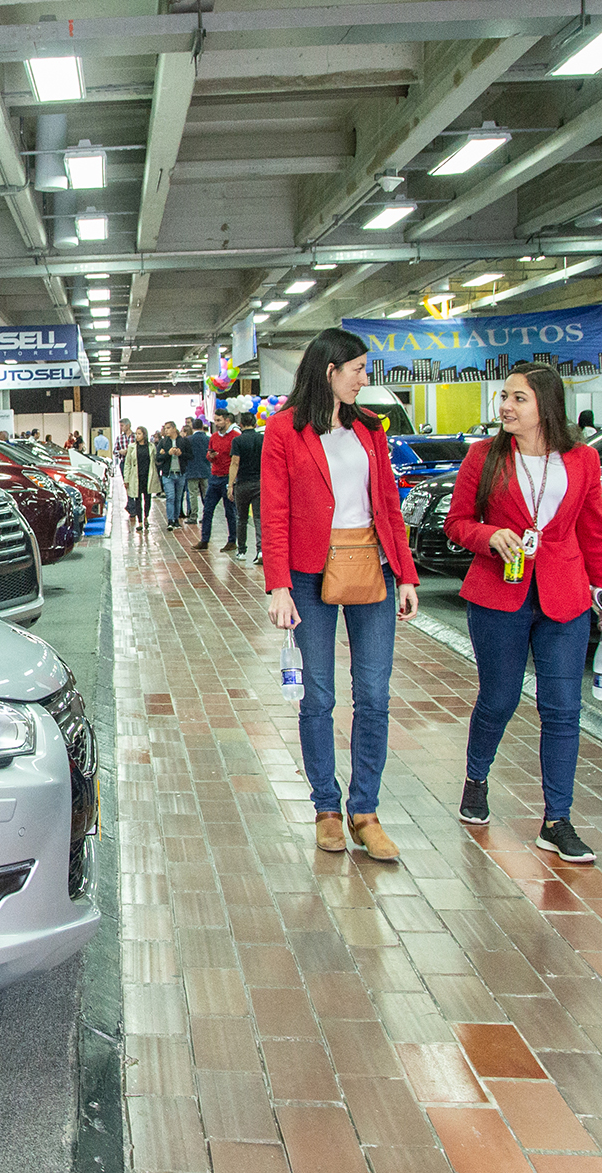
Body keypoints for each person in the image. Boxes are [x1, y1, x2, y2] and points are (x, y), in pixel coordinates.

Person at [444, 364, 602, 864]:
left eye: (518, 398)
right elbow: (457, 522)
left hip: (564, 596)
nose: (506, 406)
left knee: (563, 708)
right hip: (498, 595)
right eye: (504, 397)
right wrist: (489, 535)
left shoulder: (583, 459)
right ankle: (476, 778)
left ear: (546, 405)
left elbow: (593, 532)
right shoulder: (484, 456)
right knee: (499, 698)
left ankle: (556, 821)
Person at [262, 328, 421, 860]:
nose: (363, 379)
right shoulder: (284, 429)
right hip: (310, 574)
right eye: (357, 369)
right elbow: (275, 510)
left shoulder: (370, 427)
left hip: (372, 566)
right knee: (318, 696)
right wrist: (279, 585)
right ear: (329, 370)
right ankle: (327, 808)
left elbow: (388, 504)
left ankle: (365, 811)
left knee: (374, 693)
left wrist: (406, 574)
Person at [198, 411, 239, 551]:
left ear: (227, 420)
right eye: (215, 420)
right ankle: (204, 539)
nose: (216, 423)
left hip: (228, 476)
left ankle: (232, 540)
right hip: (215, 476)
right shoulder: (214, 437)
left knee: (230, 511)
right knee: (208, 509)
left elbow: (236, 459)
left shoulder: (235, 437)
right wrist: (210, 456)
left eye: (219, 420)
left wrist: (233, 481)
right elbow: (208, 456)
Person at [230, 413, 266, 563]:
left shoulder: (237, 441)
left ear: (241, 425)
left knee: (241, 518)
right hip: (259, 483)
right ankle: (261, 551)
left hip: (243, 483)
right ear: (255, 423)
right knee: (258, 518)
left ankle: (241, 551)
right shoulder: (262, 439)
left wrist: (230, 485)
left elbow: (235, 463)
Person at [121, 426, 159, 531]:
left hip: (148, 476)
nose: (137, 436)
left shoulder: (151, 447)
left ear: (144, 435)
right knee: (137, 499)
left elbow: (155, 460)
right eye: (136, 434)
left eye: (139, 434)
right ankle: (140, 521)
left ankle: (146, 517)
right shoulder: (132, 447)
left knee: (148, 498)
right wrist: (126, 479)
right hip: (136, 476)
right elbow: (128, 464)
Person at [155, 420, 188, 530]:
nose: (166, 430)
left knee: (178, 497)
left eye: (168, 428)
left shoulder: (183, 441)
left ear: (174, 428)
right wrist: (168, 454)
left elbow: (190, 456)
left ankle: (176, 519)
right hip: (168, 474)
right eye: (165, 428)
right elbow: (158, 458)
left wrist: (181, 454)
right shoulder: (163, 442)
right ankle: (170, 520)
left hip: (180, 473)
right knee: (170, 497)